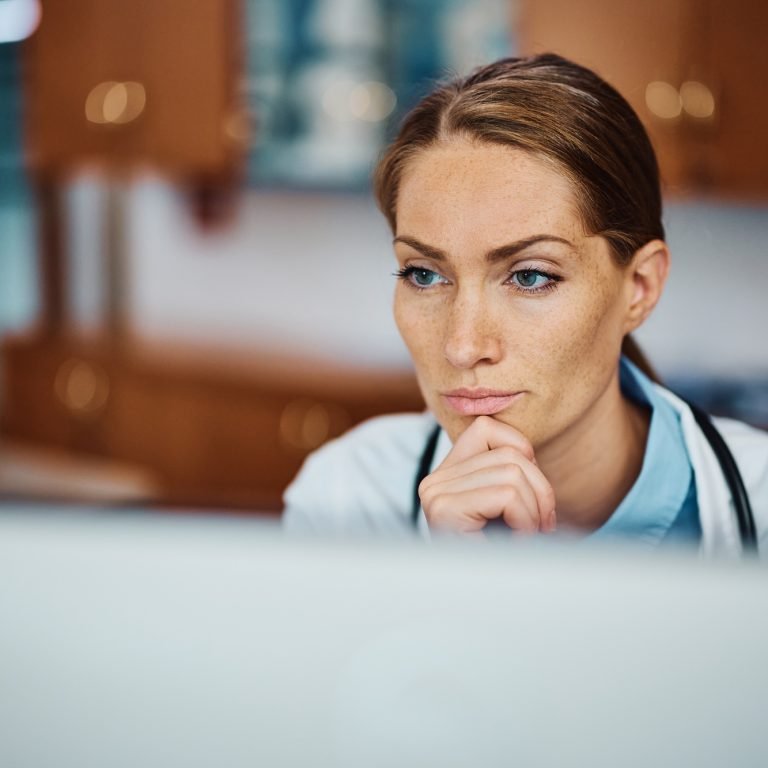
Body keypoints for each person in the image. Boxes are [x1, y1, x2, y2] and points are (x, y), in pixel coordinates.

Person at [282, 53, 768, 555]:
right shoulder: (348, 499)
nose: (463, 346)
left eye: (530, 276)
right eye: (424, 274)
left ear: (639, 286)